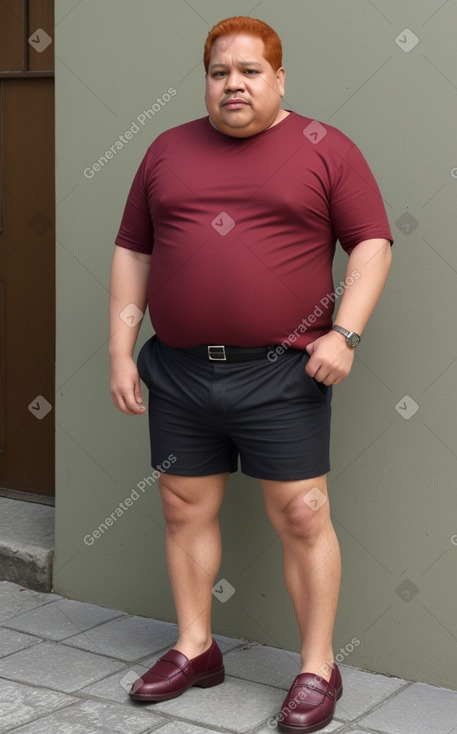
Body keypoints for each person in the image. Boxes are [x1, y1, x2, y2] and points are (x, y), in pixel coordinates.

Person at [109, 16, 393, 734]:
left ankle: (317, 667)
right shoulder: (166, 149)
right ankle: (195, 647)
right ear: (205, 79)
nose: (232, 84)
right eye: (217, 72)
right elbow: (132, 252)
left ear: (279, 77)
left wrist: (345, 331)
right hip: (177, 370)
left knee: (301, 515)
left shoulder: (324, 148)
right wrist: (120, 348)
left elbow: (371, 244)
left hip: (282, 372)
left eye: (249, 71)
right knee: (181, 506)